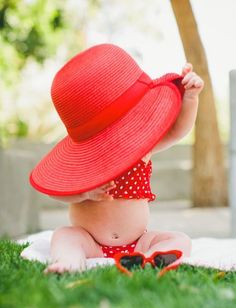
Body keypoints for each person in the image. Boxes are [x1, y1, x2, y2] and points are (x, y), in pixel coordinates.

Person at [29, 43, 204, 274]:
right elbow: (55, 190)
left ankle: (151, 258)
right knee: (64, 236)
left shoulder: (140, 148)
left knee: (180, 239)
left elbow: (176, 131)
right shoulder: (81, 163)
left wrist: (190, 99)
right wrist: (84, 193)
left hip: (139, 243)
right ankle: (69, 263)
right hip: (90, 241)